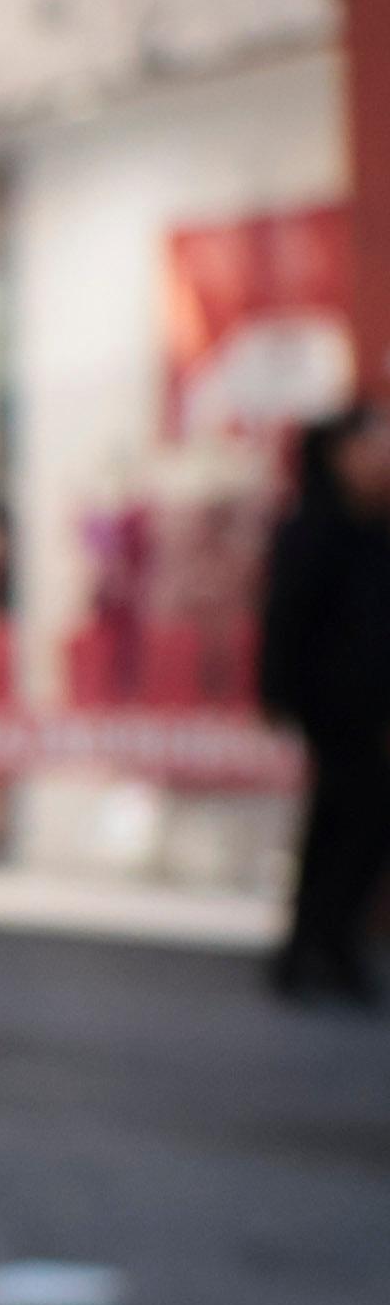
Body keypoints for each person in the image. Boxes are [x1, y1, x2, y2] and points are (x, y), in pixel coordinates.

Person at [261, 402, 390, 1007]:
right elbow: (286, 624)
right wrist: (282, 695)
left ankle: (326, 945)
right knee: (341, 824)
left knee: (355, 827)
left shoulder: (373, 528)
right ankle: (312, 945)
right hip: (338, 708)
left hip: (368, 707)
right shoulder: (317, 529)